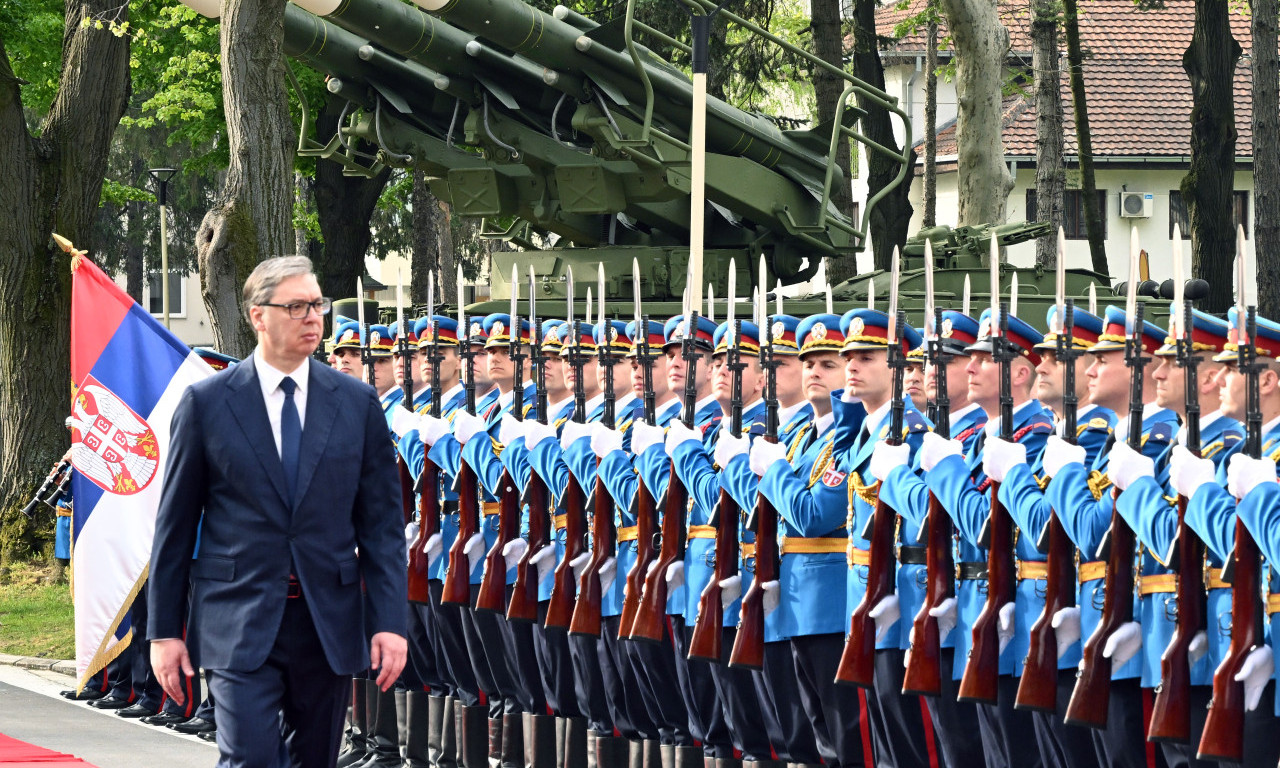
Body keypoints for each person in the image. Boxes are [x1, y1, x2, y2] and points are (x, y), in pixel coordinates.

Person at [148, 256, 408, 768]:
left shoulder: (356, 404)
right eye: (297, 306)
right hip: (237, 617)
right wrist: (163, 631)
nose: (313, 317)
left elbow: (381, 527)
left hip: (325, 620)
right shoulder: (207, 404)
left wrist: (389, 622)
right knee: (251, 758)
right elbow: (174, 528)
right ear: (258, 316)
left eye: (317, 305)